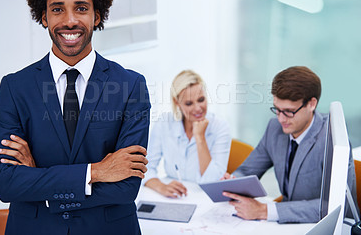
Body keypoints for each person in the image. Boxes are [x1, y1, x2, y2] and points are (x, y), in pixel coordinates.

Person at [0, 0, 150, 234]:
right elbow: (7, 183)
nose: (70, 21)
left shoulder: (131, 86)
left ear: (96, 15)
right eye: (57, 9)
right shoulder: (14, 87)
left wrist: (37, 179)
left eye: (81, 8)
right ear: (44, 17)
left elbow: (126, 187)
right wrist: (96, 171)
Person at [221, 66, 356, 223]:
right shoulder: (274, 128)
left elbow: (337, 206)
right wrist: (234, 181)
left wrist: (264, 211)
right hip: (289, 225)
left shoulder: (332, 140)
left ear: (311, 104)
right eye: (277, 110)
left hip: (325, 226)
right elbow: (248, 170)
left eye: (289, 111)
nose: (281, 119)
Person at [144, 70, 232, 198]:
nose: (197, 108)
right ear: (177, 103)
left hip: (205, 197)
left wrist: (200, 137)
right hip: (173, 197)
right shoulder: (164, 123)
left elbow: (213, 182)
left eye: (201, 100)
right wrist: (161, 186)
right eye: (189, 103)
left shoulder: (220, 126)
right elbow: (145, 168)